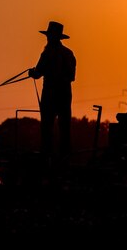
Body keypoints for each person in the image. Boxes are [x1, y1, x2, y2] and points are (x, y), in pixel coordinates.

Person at [28, 21, 76, 163]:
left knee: (47, 127)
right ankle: (65, 158)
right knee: (64, 127)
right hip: (65, 95)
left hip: (49, 95)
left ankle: (46, 156)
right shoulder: (69, 54)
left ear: (52, 37)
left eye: (49, 36)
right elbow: (72, 76)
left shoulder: (47, 53)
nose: (48, 38)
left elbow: (37, 73)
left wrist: (32, 73)